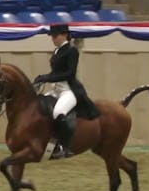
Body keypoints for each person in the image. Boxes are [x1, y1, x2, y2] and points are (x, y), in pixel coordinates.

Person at [32, 24, 100, 159]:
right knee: (40, 107)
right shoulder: (56, 51)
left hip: (68, 90)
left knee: (58, 112)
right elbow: (55, 72)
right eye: (52, 36)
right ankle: (49, 146)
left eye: (55, 36)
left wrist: (47, 77)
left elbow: (69, 73)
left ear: (64, 35)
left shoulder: (72, 51)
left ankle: (65, 147)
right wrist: (43, 78)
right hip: (56, 89)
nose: (53, 38)